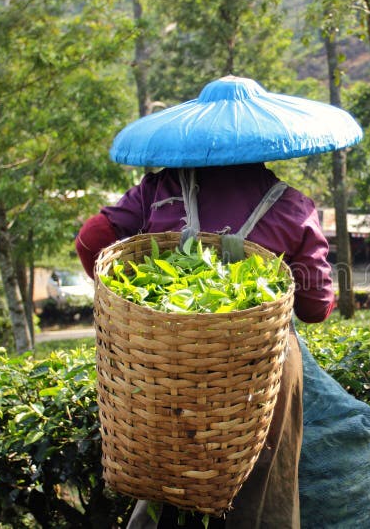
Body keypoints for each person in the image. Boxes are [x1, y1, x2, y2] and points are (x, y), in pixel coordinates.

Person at [76, 163, 330, 528]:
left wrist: (129, 298)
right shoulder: (292, 205)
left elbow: (92, 238)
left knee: (169, 471)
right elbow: (316, 306)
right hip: (258, 366)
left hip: (167, 356)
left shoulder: (161, 187)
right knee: (256, 483)